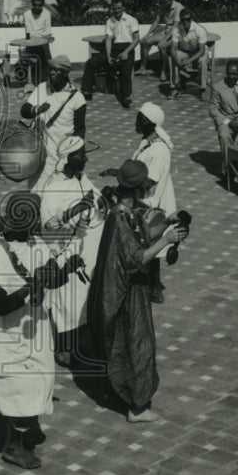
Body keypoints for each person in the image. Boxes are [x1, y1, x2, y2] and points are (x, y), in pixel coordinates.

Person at [0, 191, 83, 469]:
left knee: (39, 377)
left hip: (35, 327)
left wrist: (66, 268)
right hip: (6, 331)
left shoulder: (34, 242)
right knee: (19, 385)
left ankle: (20, 429)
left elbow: (48, 277)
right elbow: (3, 306)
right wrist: (31, 287)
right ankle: (13, 446)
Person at [84, 160, 187, 423]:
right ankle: (137, 407)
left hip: (129, 290)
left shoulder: (126, 212)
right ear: (139, 186)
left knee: (129, 344)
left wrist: (166, 223)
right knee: (137, 344)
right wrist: (166, 240)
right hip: (125, 294)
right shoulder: (120, 217)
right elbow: (136, 258)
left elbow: (141, 234)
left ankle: (124, 394)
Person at [38, 136, 108, 364]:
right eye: (81, 155)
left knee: (82, 299)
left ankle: (80, 340)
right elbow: (48, 224)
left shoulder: (82, 179)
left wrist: (103, 202)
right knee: (65, 302)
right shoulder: (53, 187)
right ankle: (64, 348)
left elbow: (93, 200)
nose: (86, 159)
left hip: (87, 249)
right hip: (64, 252)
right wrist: (76, 209)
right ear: (68, 159)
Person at [20, 56, 87, 191]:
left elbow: (80, 131)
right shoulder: (42, 88)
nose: (51, 73)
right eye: (51, 69)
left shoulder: (77, 99)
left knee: (56, 198)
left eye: (56, 70)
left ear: (65, 73)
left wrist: (74, 158)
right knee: (36, 194)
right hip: (39, 156)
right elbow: (24, 111)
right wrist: (36, 109)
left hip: (62, 159)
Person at [132, 103, 176, 304]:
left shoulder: (159, 149)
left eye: (141, 119)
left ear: (152, 123)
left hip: (151, 202)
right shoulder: (147, 141)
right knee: (148, 242)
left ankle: (153, 289)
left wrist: (126, 185)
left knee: (149, 242)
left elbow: (150, 180)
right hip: (145, 200)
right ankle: (152, 287)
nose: (137, 121)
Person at [81, 0, 140, 108]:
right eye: (114, 8)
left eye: (119, 8)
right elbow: (108, 39)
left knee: (125, 71)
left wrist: (126, 52)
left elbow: (137, 39)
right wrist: (108, 56)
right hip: (114, 49)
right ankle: (86, 90)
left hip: (128, 48)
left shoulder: (132, 20)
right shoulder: (110, 21)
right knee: (91, 62)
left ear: (123, 8)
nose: (117, 10)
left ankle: (127, 96)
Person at [139, 0, 184, 80]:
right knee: (144, 42)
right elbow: (157, 21)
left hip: (177, 32)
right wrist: (147, 35)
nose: (166, 0)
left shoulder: (178, 7)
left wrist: (164, 39)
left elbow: (175, 26)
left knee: (162, 46)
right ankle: (143, 68)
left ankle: (163, 71)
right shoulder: (163, 6)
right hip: (167, 30)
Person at [168, 10, 209, 98]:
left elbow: (201, 51)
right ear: (180, 20)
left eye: (187, 19)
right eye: (183, 20)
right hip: (185, 52)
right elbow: (173, 48)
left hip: (198, 52)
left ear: (191, 19)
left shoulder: (199, 29)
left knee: (203, 61)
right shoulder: (177, 29)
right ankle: (174, 87)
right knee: (171, 58)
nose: (185, 22)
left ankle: (203, 89)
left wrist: (189, 61)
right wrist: (177, 61)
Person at [21, 0, 53, 85]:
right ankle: (33, 80)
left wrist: (42, 37)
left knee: (47, 61)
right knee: (29, 60)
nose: (37, 7)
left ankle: (46, 81)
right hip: (32, 42)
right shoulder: (27, 14)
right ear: (32, 4)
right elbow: (28, 32)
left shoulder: (47, 14)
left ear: (42, 5)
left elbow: (48, 31)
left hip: (43, 42)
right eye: (35, 5)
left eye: (39, 5)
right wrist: (41, 36)